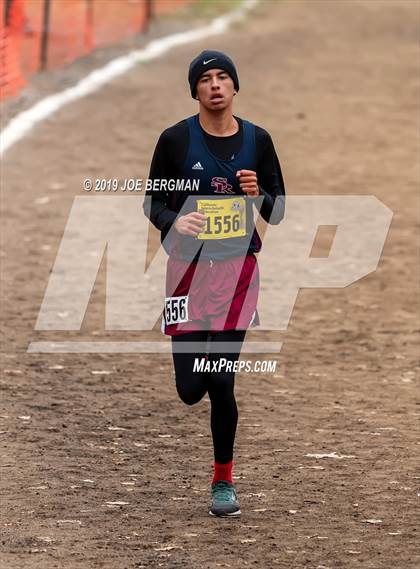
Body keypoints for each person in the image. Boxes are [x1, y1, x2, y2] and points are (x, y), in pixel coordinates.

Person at [143, 50, 285, 516]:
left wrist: (257, 193)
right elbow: (152, 203)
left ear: (235, 87)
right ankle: (200, 357)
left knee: (222, 382)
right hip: (185, 275)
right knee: (190, 390)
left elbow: (277, 212)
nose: (216, 85)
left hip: (236, 275)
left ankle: (223, 481)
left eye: (224, 77)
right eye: (206, 79)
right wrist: (174, 220)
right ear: (196, 91)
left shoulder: (258, 142)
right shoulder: (175, 141)